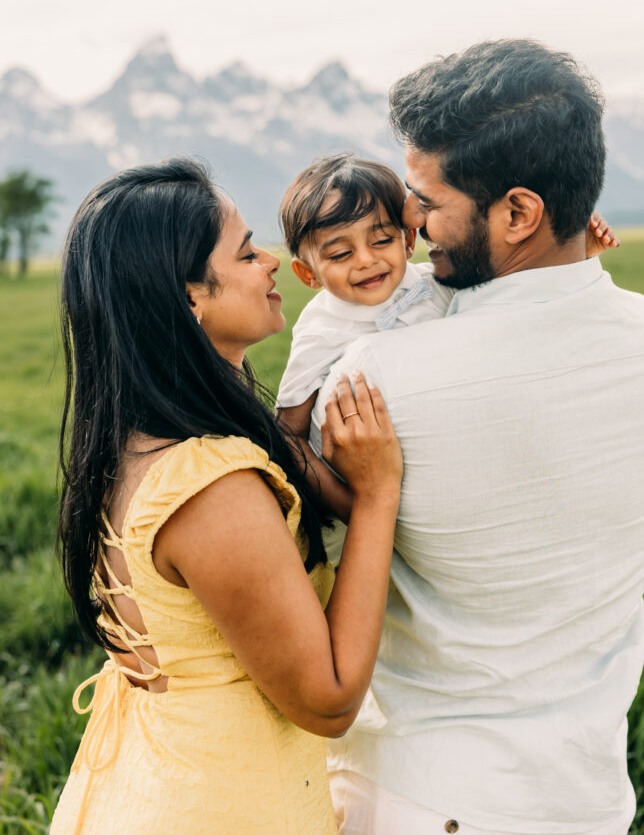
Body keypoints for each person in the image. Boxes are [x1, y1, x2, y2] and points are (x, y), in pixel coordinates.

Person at [309, 39, 644, 835]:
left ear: (518, 213)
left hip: (420, 797)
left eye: (424, 200)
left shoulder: (377, 378)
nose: (405, 223)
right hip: (584, 797)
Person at [51, 158, 403, 835]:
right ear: (190, 299)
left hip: (149, 783)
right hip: (223, 807)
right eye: (245, 252)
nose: (271, 261)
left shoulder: (136, 439)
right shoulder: (213, 487)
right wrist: (378, 493)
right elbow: (327, 702)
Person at [277, 151, 616, 520]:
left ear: (408, 240)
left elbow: (521, 303)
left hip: (451, 470)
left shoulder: (436, 284)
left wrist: (577, 255)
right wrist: (355, 509)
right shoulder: (320, 329)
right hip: (365, 494)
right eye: (341, 253)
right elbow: (288, 433)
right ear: (307, 274)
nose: (364, 260)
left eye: (381, 241)